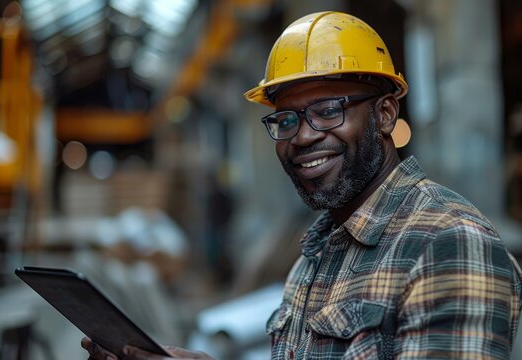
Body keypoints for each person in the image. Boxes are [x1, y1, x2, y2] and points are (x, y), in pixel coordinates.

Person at [83, 11, 522, 359]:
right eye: (287, 118)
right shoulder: (317, 254)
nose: (304, 135)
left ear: (386, 114)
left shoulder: (449, 244)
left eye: (329, 110)